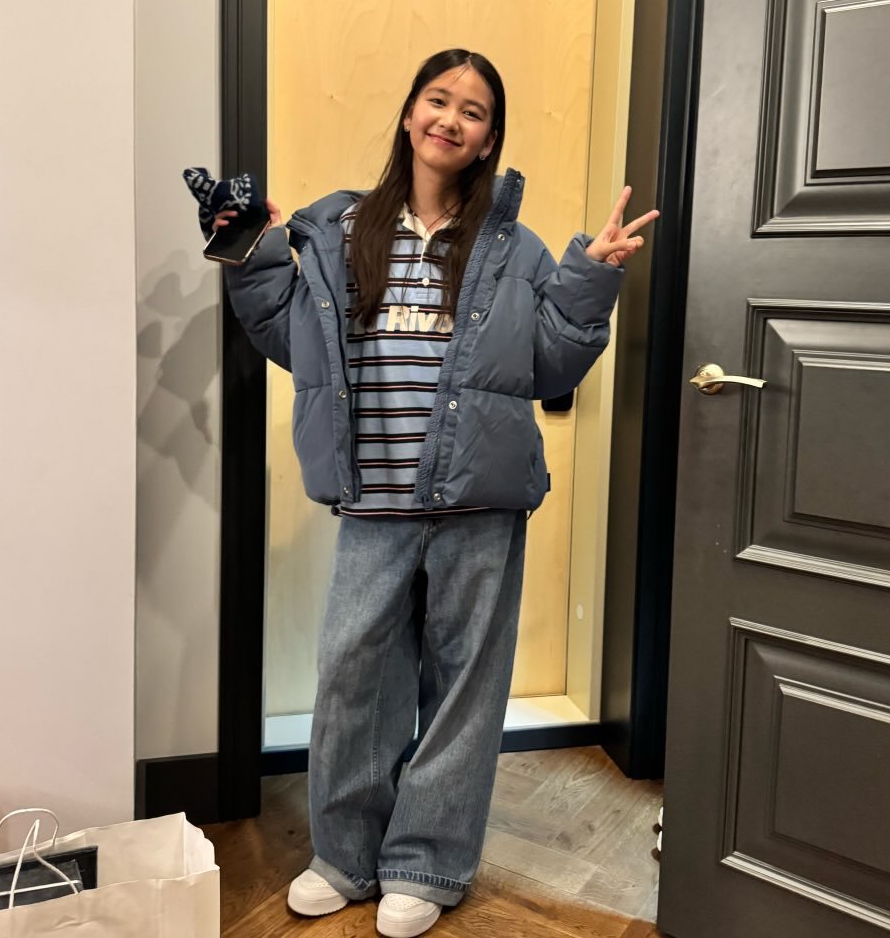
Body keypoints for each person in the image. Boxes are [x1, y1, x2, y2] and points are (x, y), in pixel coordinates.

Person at [209, 48, 658, 937]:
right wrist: (248, 250)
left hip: (479, 505)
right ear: (411, 112)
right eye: (439, 99)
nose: (452, 118)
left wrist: (591, 278)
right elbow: (288, 335)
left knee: (462, 690)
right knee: (354, 681)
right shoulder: (341, 231)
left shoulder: (515, 248)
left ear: (489, 139)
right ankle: (345, 855)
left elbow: (550, 367)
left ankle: (426, 862)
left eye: (474, 111)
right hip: (372, 500)